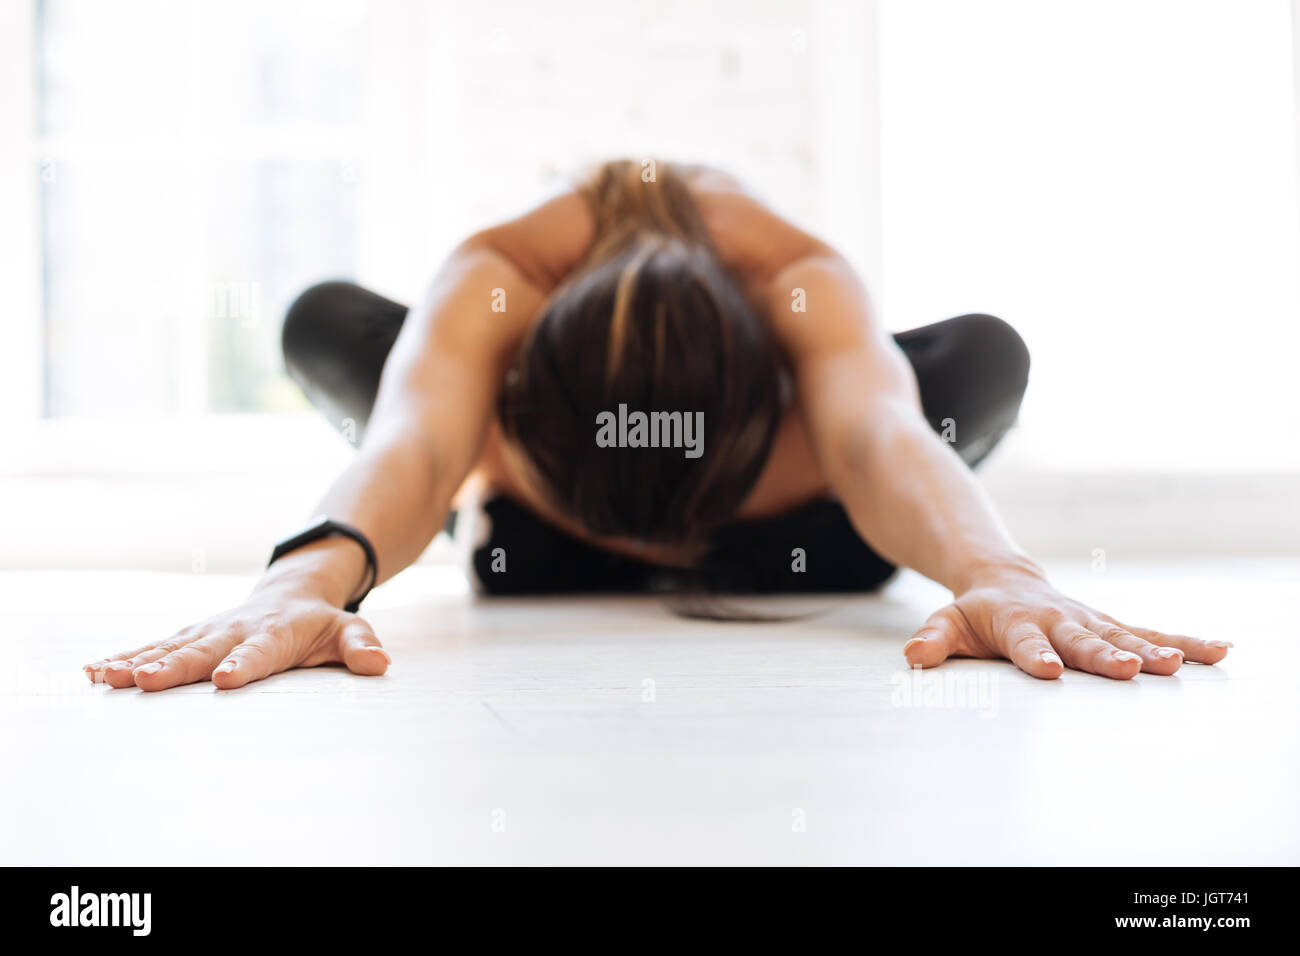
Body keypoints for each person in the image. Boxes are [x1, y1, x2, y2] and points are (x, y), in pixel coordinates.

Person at [83, 160, 1230, 691]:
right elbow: (416, 443)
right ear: (516, 394)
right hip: (543, 497)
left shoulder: (797, 279)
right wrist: (302, 583)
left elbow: (879, 428)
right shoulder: (495, 280)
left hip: (758, 500)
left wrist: (1000, 570)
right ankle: (501, 508)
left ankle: (763, 496)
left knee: (977, 357)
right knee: (335, 325)